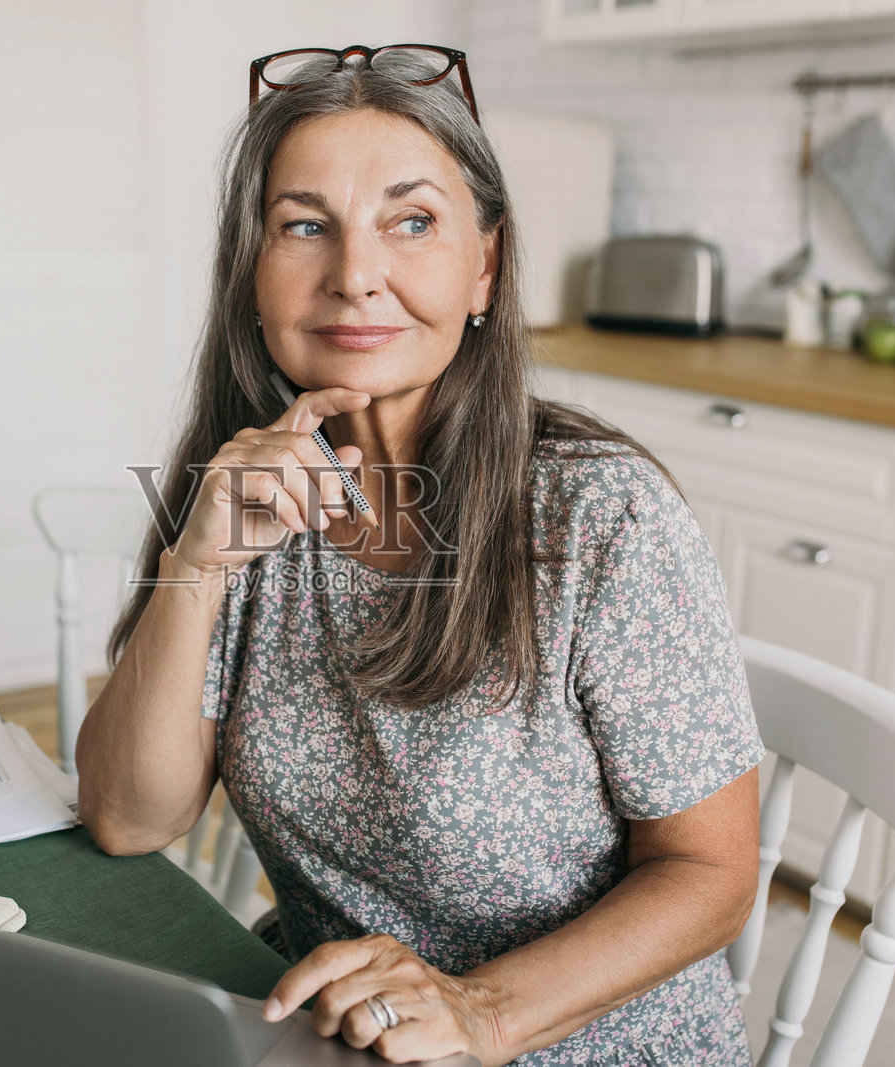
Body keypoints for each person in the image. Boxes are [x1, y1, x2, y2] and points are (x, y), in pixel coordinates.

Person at [76, 44, 765, 1066]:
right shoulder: (251, 485)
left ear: (482, 265)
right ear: (251, 275)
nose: (355, 276)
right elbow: (131, 819)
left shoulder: (598, 516)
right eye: (304, 225)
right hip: (343, 1030)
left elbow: (710, 871)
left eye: (411, 222)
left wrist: (479, 1010)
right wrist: (196, 562)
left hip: (579, 1039)